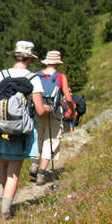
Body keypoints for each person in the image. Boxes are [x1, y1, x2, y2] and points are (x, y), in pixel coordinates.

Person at [0, 41, 47, 223]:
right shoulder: (34, 79)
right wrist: (49, 109)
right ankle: (5, 213)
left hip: (1, 129)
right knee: (13, 172)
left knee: (2, 166)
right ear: (30, 59)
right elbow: (40, 111)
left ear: (15, 56)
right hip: (21, 132)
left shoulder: (1, 75)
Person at [29, 51, 74, 185]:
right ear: (57, 63)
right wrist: (71, 109)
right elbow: (68, 97)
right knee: (51, 140)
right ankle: (42, 174)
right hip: (54, 112)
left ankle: (34, 164)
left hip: (38, 109)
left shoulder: (36, 75)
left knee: (38, 137)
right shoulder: (60, 77)